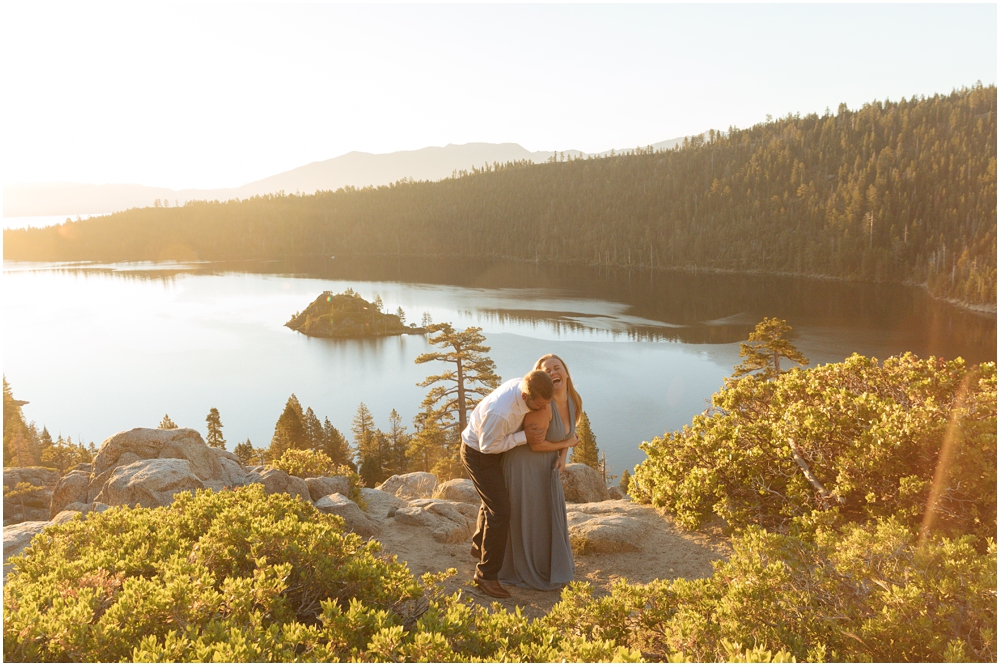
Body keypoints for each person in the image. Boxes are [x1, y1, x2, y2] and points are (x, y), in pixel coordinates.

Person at [461, 369, 563, 598]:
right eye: (538, 407)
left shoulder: (527, 385)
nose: (543, 409)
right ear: (526, 397)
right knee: (500, 511)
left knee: (493, 503)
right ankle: (485, 575)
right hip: (479, 454)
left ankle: (479, 544)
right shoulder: (502, 412)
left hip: (492, 447)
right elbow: (488, 447)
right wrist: (523, 438)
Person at [498, 354, 580, 590]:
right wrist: (565, 447)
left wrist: (563, 456)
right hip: (525, 466)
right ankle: (524, 568)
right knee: (531, 518)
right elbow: (536, 444)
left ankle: (550, 565)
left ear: (565, 372)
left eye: (557, 368)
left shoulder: (573, 401)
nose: (553, 373)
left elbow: (569, 436)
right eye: (547, 371)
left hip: (546, 466)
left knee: (545, 516)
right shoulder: (543, 407)